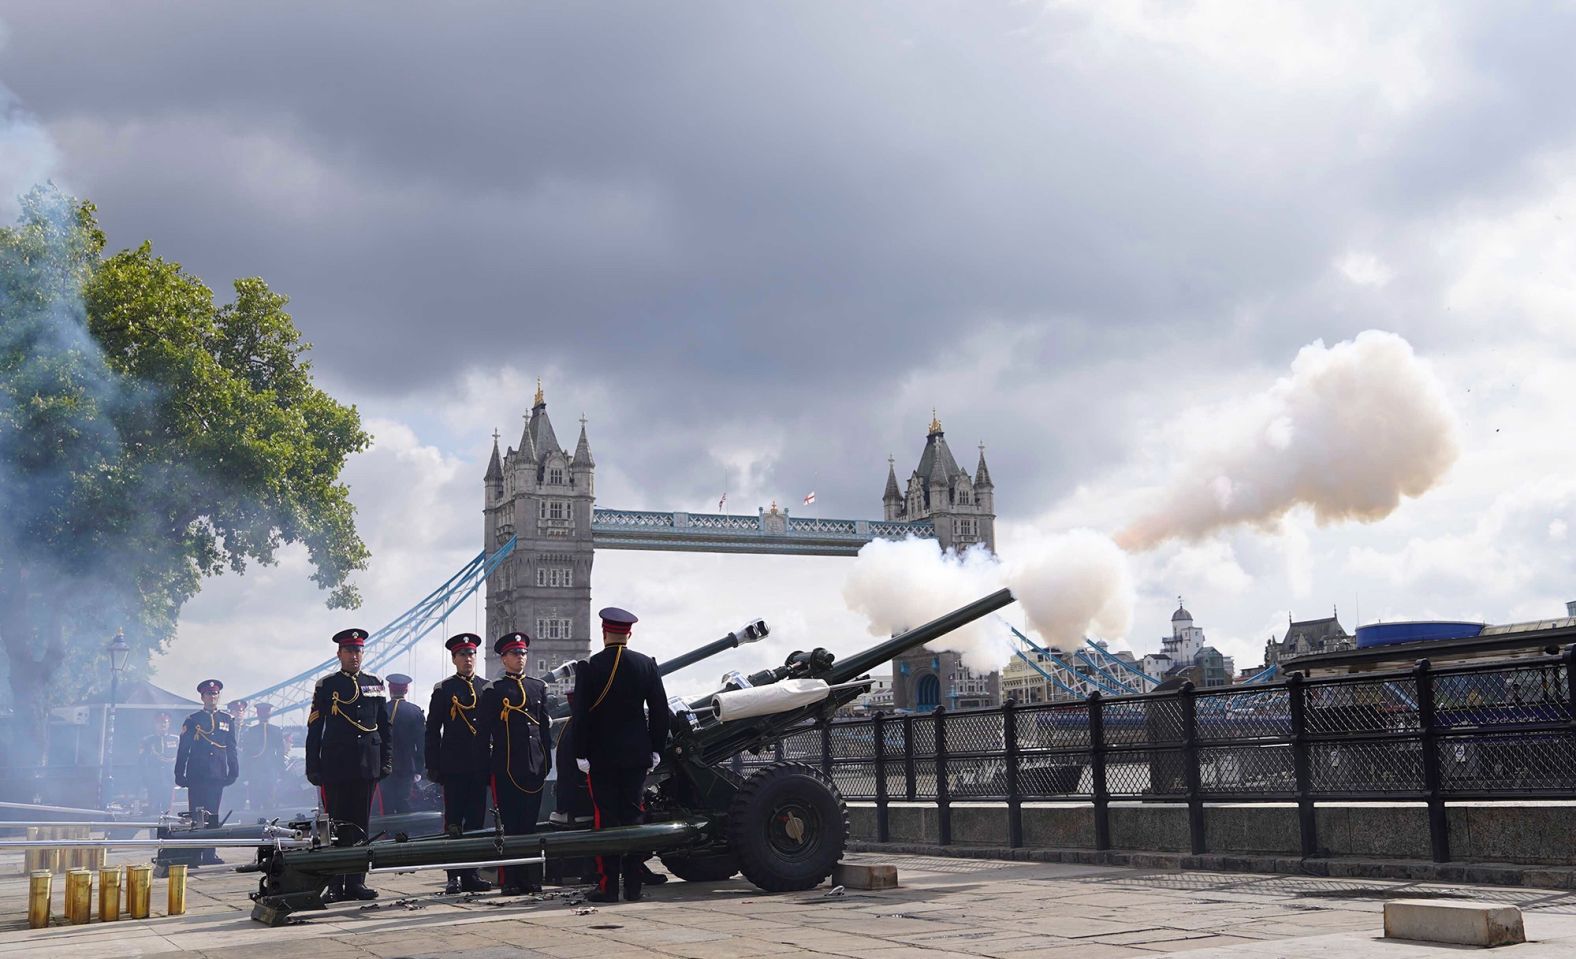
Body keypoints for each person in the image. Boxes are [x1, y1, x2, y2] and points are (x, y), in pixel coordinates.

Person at [572, 607, 668, 903]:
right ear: (629, 633)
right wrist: (655, 749)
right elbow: (660, 712)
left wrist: (580, 753)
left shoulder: (589, 666)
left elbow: (581, 717)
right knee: (634, 816)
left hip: (601, 758)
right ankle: (634, 886)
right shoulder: (646, 665)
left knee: (606, 821)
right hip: (636, 756)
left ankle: (608, 886)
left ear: (604, 632)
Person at [304, 627, 391, 902]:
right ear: (339, 654)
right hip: (336, 765)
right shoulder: (327, 685)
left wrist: (386, 760)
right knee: (334, 826)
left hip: (366, 764)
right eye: (349, 650)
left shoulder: (375, 682)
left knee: (360, 826)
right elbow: (315, 729)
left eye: (358, 650)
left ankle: (356, 882)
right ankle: (335, 884)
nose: (354, 655)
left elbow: (385, 727)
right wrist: (313, 766)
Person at [480, 632, 551, 894]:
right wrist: (488, 768)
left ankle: (531, 878)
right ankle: (511, 879)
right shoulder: (494, 690)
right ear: (503, 658)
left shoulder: (537, 687)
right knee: (511, 825)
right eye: (514, 654)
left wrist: (546, 763)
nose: (520, 658)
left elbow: (543, 728)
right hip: (506, 765)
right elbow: (485, 732)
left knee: (530, 825)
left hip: (534, 765)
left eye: (523, 653)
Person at [426, 632, 493, 895]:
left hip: (479, 765)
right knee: (453, 822)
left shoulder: (487, 687)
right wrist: (433, 765)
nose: (468, 659)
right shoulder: (444, 690)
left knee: (476, 821)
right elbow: (432, 731)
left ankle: (472, 873)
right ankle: (453, 874)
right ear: (454, 659)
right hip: (453, 766)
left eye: (472, 654)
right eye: (463, 654)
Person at [173, 679, 239, 865]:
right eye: (209, 694)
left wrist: (234, 769)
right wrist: (179, 773)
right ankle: (194, 854)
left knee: (213, 815)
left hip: (217, 773)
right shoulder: (193, 720)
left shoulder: (227, 719)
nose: (213, 697)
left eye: (215, 694)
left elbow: (231, 747)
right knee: (196, 815)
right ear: (202, 697)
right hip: (197, 774)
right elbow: (183, 748)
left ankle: (210, 854)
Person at [381, 673, 425, 814]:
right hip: (407, 766)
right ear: (406, 690)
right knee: (404, 804)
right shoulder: (415, 711)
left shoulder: (381, 710)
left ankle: (388, 835)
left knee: (386, 806)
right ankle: (404, 834)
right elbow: (421, 743)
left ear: (389, 688)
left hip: (384, 766)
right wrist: (419, 768)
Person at [243, 702, 287, 812]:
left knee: (269, 801)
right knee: (255, 801)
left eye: (265, 711)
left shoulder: (276, 730)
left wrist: (280, 770)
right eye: (262, 712)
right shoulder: (252, 731)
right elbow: (247, 752)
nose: (263, 714)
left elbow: (280, 752)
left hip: (270, 770)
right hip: (255, 771)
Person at [138, 712, 178, 814]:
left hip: (169, 778)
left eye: (165, 722)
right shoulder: (147, 740)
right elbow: (142, 762)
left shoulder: (176, 739)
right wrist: (144, 779)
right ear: (155, 724)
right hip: (153, 779)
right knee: (153, 806)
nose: (163, 725)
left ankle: (166, 828)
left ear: (169, 724)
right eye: (160, 722)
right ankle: (154, 829)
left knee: (168, 808)